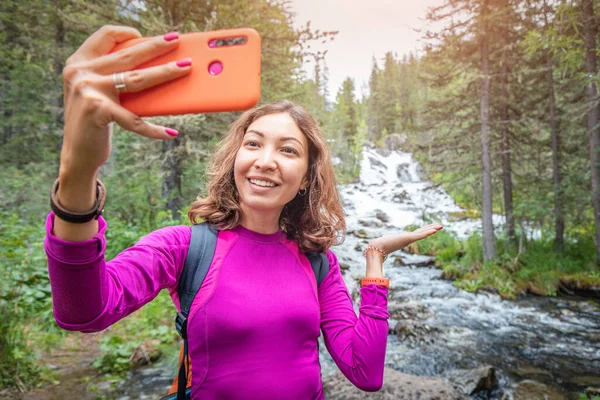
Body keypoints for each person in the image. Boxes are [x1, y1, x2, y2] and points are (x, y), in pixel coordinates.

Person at [44, 25, 443, 399]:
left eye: (287, 150)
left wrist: (374, 261)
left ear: (305, 178)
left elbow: (365, 371)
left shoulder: (320, 264)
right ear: (236, 158)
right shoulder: (184, 247)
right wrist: (78, 172)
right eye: (253, 144)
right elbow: (84, 313)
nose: (266, 161)